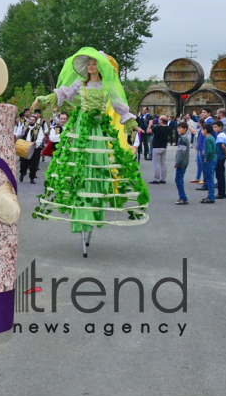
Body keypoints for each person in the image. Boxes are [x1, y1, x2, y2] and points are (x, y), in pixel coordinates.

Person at [31, 47, 148, 254]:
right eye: (89, 64)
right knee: (80, 169)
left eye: (94, 63)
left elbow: (121, 106)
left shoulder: (107, 85)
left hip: (99, 129)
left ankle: (93, 209)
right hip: (82, 128)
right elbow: (62, 93)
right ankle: (82, 212)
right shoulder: (80, 84)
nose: (91, 67)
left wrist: (131, 122)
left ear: (100, 66)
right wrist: (44, 99)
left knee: (98, 169)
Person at [191, 107, 214, 187]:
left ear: (209, 113)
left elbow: (206, 136)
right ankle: (205, 182)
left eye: (204, 112)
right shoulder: (206, 121)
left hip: (204, 147)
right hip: (201, 147)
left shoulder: (209, 121)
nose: (202, 114)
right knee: (202, 164)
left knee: (205, 165)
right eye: (202, 112)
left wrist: (204, 148)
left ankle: (206, 183)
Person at [19, 114, 45, 184]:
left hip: (34, 147)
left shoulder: (38, 128)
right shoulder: (25, 125)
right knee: (23, 163)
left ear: (36, 121)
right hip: (25, 146)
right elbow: (19, 132)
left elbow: (41, 137)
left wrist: (36, 143)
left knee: (34, 164)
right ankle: (22, 174)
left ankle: (32, 178)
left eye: (33, 120)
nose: (31, 121)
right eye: (30, 119)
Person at [148, 116, 170, 184]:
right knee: (163, 163)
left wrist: (149, 125)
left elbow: (148, 131)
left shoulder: (157, 128)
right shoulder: (168, 128)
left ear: (161, 121)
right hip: (164, 146)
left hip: (157, 146)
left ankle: (156, 179)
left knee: (156, 163)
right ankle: (163, 178)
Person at [213, 122, 226, 199]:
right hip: (221, 157)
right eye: (213, 127)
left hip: (219, 157)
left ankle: (221, 193)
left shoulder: (220, 136)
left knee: (219, 175)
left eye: (216, 127)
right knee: (220, 175)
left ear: (220, 127)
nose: (214, 129)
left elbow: (223, 146)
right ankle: (222, 192)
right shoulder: (223, 135)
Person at [200, 123, 217, 204]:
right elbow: (215, 149)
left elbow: (209, 150)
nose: (201, 132)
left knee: (209, 179)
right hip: (214, 158)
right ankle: (210, 196)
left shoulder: (207, 139)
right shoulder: (212, 138)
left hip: (210, 160)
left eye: (202, 130)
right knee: (211, 178)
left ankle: (211, 197)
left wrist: (206, 157)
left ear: (205, 130)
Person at [174, 121, 190, 205]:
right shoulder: (184, 138)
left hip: (181, 163)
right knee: (180, 179)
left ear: (185, 129)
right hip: (184, 162)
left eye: (180, 128)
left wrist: (177, 162)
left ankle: (183, 197)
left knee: (178, 179)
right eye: (178, 128)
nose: (178, 130)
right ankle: (182, 197)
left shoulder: (183, 138)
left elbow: (181, 152)